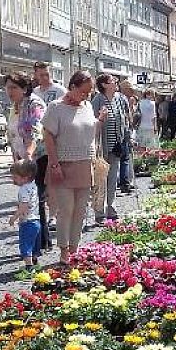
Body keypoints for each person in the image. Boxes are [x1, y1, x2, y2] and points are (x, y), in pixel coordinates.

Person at [43, 70, 107, 265]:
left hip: (85, 164)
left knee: (81, 210)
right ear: (72, 87)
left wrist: (99, 121)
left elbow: (86, 129)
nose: (86, 96)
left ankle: (74, 248)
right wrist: (54, 164)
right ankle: (63, 249)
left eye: (89, 93)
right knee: (66, 209)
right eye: (83, 92)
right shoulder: (56, 108)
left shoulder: (86, 106)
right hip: (63, 165)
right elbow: (48, 136)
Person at [3, 71, 49, 251]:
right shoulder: (15, 106)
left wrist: (28, 156)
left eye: (14, 87)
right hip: (23, 158)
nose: (9, 91)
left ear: (24, 88)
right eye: (7, 87)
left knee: (35, 200)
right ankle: (36, 242)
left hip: (37, 158)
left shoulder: (33, 103)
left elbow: (35, 131)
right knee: (27, 199)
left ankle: (40, 242)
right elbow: (14, 134)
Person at [92, 73, 128, 221]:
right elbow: (92, 122)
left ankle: (111, 206)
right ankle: (99, 211)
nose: (116, 82)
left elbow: (124, 118)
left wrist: (126, 135)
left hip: (116, 146)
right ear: (105, 85)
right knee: (101, 179)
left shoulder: (119, 98)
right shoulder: (97, 100)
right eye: (112, 81)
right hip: (102, 146)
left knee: (113, 178)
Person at [9, 159, 41, 271]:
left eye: (16, 177)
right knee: (34, 244)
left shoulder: (23, 189)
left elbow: (24, 206)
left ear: (26, 177)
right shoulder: (34, 186)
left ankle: (29, 266)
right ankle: (36, 262)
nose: (13, 180)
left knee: (25, 244)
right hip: (37, 220)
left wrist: (14, 217)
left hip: (27, 222)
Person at [117, 80, 136, 193]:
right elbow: (128, 116)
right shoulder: (123, 99)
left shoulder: (121, 98)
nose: (132, 92)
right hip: (124, 131)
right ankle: (124, 183)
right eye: (130, 90)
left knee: (124, 158)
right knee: (124, 157)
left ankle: (124, 181)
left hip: (123, 131)